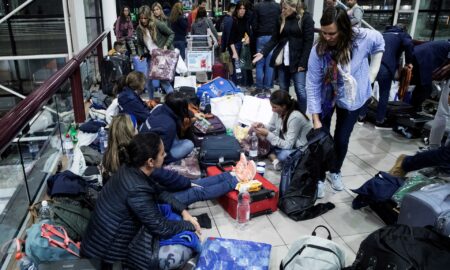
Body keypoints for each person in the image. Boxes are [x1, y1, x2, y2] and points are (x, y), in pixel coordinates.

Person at [81, 133, 201, 270]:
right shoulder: (136, 189)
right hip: (109, 258)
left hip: (99, 244)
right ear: (150, 161)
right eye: (162, 154)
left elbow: (159, 191)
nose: (165, 155)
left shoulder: (130, 169)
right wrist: (189, 225)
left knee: (175, 216)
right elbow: (161, 228)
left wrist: (183, 211)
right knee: (187, 243)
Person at [306, 7, 384, 196]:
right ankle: (319, 177)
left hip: (352, 96)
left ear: (343, 29)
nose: (327, 37)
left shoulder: (363, 38)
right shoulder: (319, 49)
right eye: (323, 32)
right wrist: (315, 118)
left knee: (341, 138)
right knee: (322, 138)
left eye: (331, 33)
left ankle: (335, 171)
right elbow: (312, 84)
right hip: (326, 95)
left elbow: (380, 41)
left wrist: (372, 74)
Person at [101, 114, 248, 206]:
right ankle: (236, 179)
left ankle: (231, 174)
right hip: (148, 204)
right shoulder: (137, 156)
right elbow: (163, 177)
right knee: (195, 190)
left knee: (193, 185)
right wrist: (186, 183)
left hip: (147, 196)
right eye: (135, 128)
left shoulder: (109, 155)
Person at [253, 0, 314, 113]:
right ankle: (285, 115)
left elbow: (308, 42)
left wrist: (303, 62)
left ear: (293, 7)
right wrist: (263, 52)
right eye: (282, 8)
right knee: (283, 91)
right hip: (283, 60)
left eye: (285, 8)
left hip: (298, 61)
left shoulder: (305, 18)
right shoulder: (281, 18)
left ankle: (301, 116)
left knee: (300, 90)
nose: (282, 10)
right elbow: (274, 39)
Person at [360, 24, 414, 129]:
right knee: (384, 93)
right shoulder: (402, 35)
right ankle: (380, 121)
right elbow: (408, 44)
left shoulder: (383, 34)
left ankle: (361, 117)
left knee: (367, 92)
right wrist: (409, 62)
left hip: (371, 65)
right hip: (386, 66)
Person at [251, 90, 311, 170]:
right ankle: (274, 158)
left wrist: (268, 134)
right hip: (285, 141)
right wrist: (261, 126)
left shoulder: (295, 117)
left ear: (284, 106)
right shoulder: (278, 111)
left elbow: (288, 145)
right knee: (256, 135)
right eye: (272, 107)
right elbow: (271, 126)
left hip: (299, 148)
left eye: (275, 107)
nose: (272, 110)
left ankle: (273, 157)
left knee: (283, 155)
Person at [139, 92, 194, 164]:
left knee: (176, 137)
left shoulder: (158, 107)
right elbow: (162, 154)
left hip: (142, 140)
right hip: (152, 154)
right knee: (189, 144)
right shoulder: (169, 125)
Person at [136, 5, 175, 99]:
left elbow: (171, 34)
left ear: (149, 16)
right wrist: (140, 54)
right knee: (148, 80)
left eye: (145, 18)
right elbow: (139, 44)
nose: (143, 20)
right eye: (141, 18)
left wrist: (166, 45)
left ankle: (174, 101)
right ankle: (151, 100)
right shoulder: (139, 29)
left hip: (161, 56)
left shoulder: (157, 24)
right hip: (151, 56)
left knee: (163, 81)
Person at [410, 40, 450, 110]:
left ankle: (413, 106)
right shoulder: (446, 45)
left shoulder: (445, 43)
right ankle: (414, 108)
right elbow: (446, 63)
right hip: (424, 59)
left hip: (417, 55)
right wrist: (438, 74)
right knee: (426, 87)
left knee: (421, 85)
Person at [251, 0, 281, 93]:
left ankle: (259, 87)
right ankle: (267, 88)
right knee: (270, 64)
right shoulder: (277, 6)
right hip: (273, 37)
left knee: (260, 63)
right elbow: (280, 21)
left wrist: (257, 33)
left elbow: (254, 24)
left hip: (261, 36)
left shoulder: (257, 6)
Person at [229, 1, 252, 86]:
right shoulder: (233, 20)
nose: (242, 10)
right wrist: (234, 52)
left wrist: (247, 37)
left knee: (243, 68)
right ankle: (236, 86)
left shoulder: (246, 19)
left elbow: (247, 32)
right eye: (240, 8)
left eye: (244, 9)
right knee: (237, 69)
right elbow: (230, 39)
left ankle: (242, 86)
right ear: (237, 10)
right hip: (234, 46)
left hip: (242, 45)